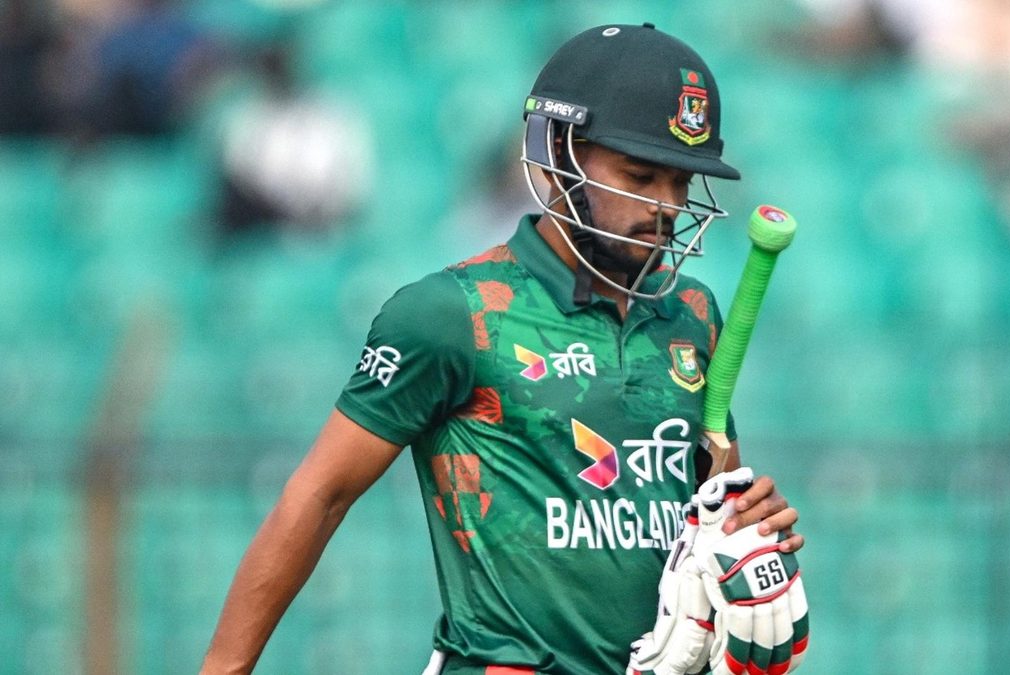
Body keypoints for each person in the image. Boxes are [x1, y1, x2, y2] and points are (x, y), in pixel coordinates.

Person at [202, 23, 806, 674]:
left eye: (679, 182)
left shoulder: (692, 314)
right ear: (557, 159)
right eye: (640, 174)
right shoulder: (452, 313)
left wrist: (746, 528)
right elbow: (318, 495)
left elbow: (709, 505)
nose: (663, 205)